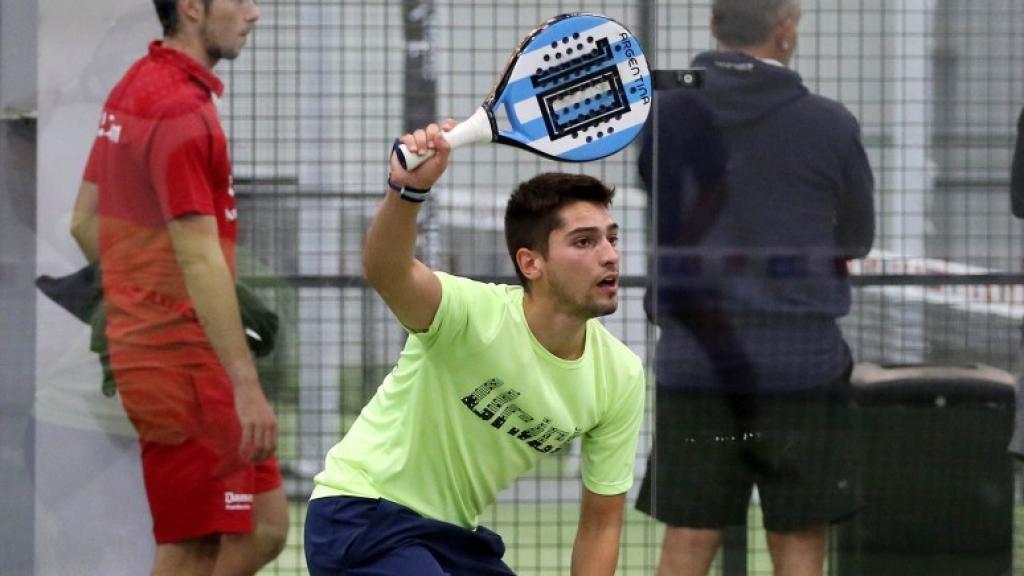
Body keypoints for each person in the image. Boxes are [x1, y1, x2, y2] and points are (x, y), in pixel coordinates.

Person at [303, 121, 646, 576]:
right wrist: (407, 194)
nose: (609, 255)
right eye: (585, 241)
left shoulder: (620, 376)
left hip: (450, 537)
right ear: (531, 263)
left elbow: (602, 526)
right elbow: (388, 270)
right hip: (361, 511)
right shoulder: (470, 314)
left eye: (612, 238)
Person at [634, 1, 876, 575]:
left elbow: (658, 192)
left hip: (697, 362)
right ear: (786, 30)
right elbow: (857, 239)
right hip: (801, 368)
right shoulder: (831, 125)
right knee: (797, 535)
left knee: (690, 533)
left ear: (713, 26)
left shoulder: (665, 113)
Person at [69, 1, 288, 574]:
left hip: (170, 349)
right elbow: (198, 256)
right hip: (181, 363)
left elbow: (85, 222)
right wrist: (245, 384)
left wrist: (139, 297)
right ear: (192, 7)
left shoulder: (137, 86)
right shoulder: (180, 113)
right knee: (197, 546)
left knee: (263, 528)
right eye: (238, 0)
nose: (254, 13)